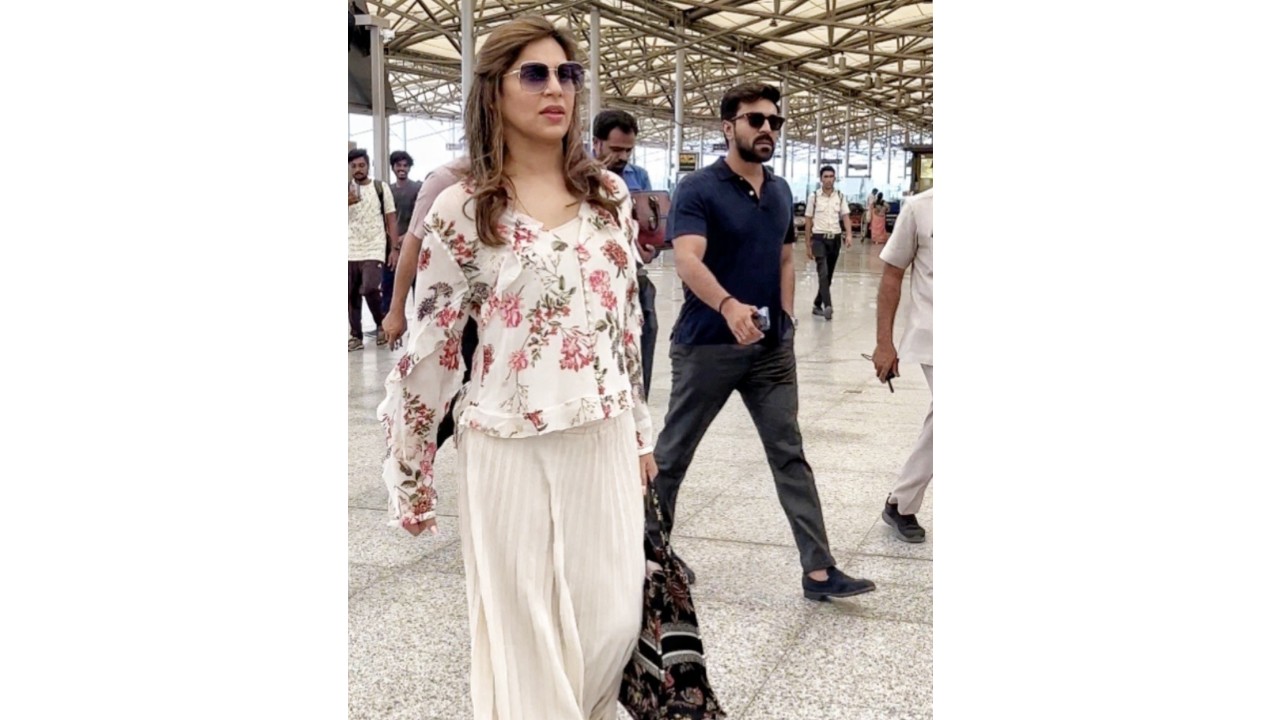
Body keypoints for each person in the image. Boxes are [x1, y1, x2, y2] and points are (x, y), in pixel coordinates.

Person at [376, 18, 654, 720]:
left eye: (567, 74)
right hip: (505, 441)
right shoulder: (463, 209)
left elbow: (627, 327)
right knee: (526, 639)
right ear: (495, 92)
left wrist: (641, 433)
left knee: (611, 622)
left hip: (603, 432)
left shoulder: (609, 198)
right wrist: (411, 472)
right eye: (535, 74)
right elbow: (432, 349)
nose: (556, 87)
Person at [652, 81, 876, 601]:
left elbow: (783, 258)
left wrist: (786, 320)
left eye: (774, 122)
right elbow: (687, 258)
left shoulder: (778, 191)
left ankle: (819, 571)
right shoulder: (698, 188)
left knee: (789, 452)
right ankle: (647, 556)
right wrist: (729, 306)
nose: (767, 129)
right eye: (756, 120)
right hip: (707, 345)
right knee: (672, 456)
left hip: (770, 350)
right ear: (728, 127)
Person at [383, 157, 478, 447]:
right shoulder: (445, 180)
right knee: (440, 403)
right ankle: (412, 469)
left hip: (499, 315)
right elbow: (414, 241)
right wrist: (397, 309)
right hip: (452, 312)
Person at [872, 187, 934, 543]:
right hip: (934, 333)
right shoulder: (919, 208)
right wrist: (884, 342)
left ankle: (900, 502)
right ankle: (903, 504)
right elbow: (892, 275)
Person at [592, 109, 659, 396]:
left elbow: (646, 224)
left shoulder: (638, 176)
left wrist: (650, 245)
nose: (622, 157)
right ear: (596, 143)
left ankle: (638, 392)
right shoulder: (575, 174)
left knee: (648, 326)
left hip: (633, 269)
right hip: (595, 274)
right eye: (615, 149)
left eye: (628, 150)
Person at [348, 148, 399, 351]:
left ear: (368, 166)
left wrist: (394, 249)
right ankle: (356, 336)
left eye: (361, 165)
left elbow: (391, 218)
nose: (358, 169)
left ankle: (381, 323)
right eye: (354, 166)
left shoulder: (380, 187)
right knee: (350, 293)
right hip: (348, 248)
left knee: (370, 287)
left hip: (374, 247)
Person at [803, 165, 853, 320]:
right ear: (820, 179)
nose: (828, 179)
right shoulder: (814, 197)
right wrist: (807, 244)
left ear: (835, 178)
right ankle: (828, 305)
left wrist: (849, 234)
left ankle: (817, 304)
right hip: (819, 238)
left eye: (831, 176)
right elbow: (808, 220)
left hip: (835, 239)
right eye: (826, 176)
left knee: (829, 275)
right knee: (822, 272)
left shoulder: (840, 196)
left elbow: (845, 216)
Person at [384, 150, 422, 316]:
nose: (402, 168)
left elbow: (421, 215)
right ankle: (387, 325)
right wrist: (394, 240)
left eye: (405, 165)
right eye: (398, 165)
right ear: (393, 167)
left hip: (414, 243)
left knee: (418, 286)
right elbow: (385, 218)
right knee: (389, 287)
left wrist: (405, 237)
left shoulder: (418, 188)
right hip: (392, 247)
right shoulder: (387, 191)